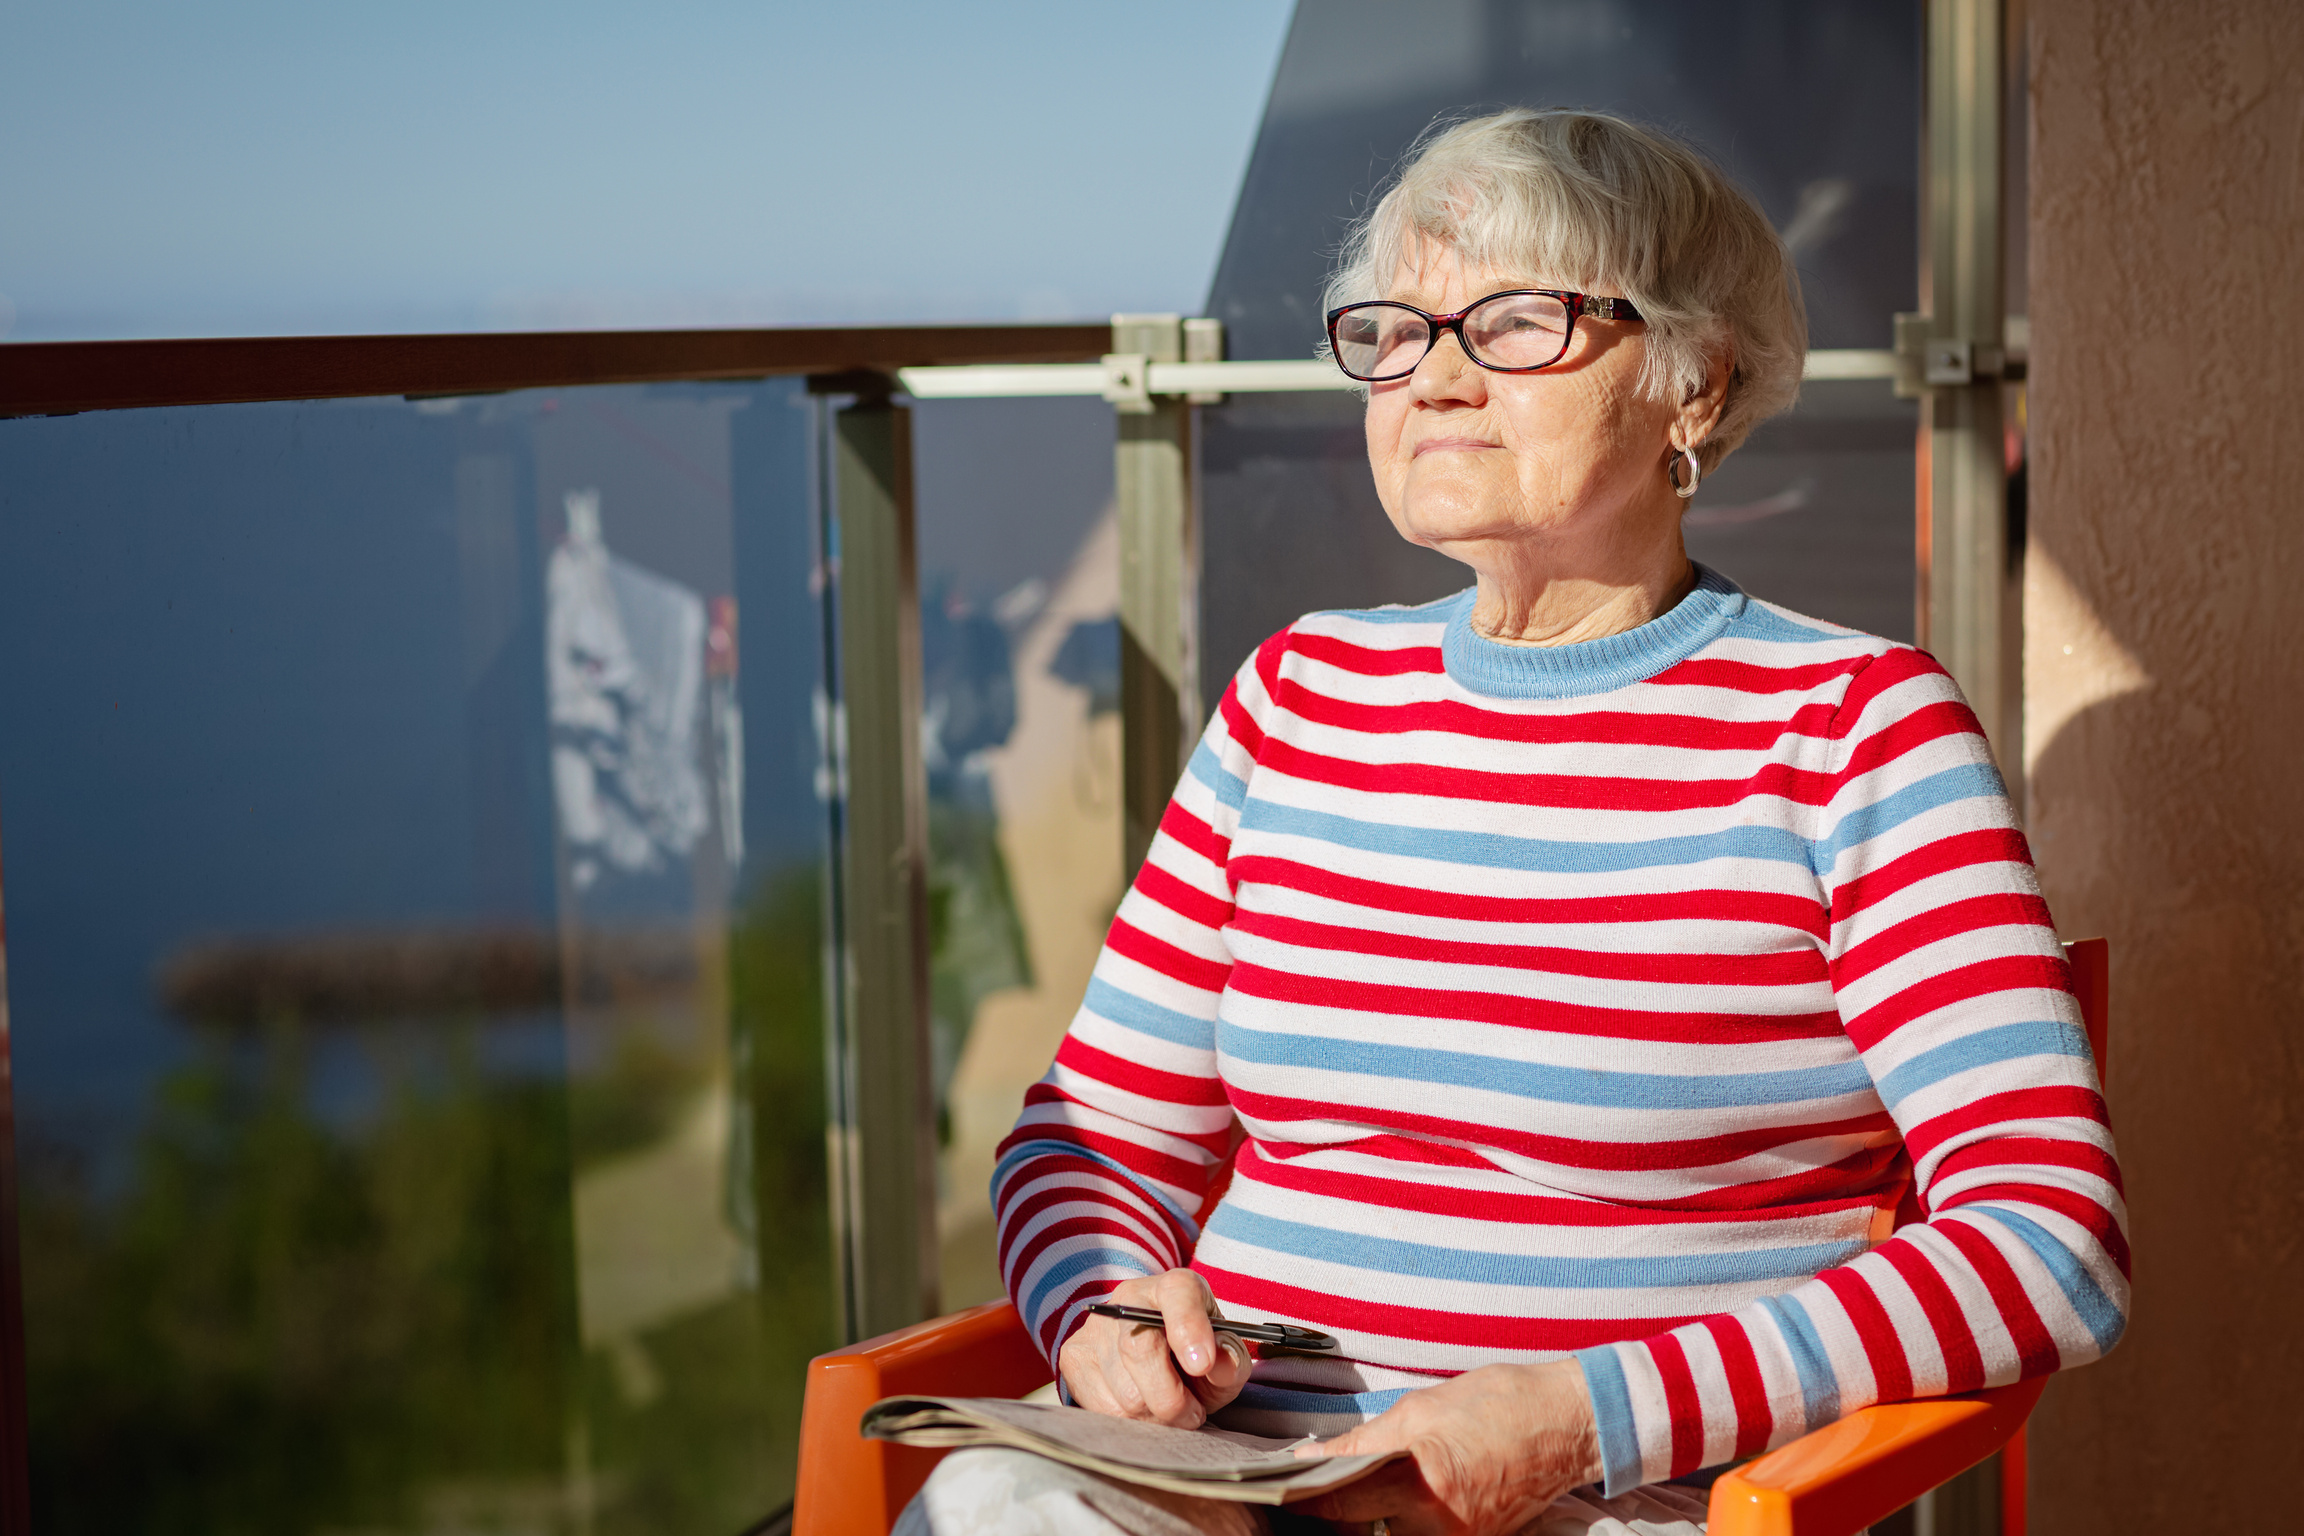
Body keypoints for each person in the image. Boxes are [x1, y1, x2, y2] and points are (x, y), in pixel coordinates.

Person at [898, 108, 2127, 1536]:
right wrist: (1104, 1310)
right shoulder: (1297, 696)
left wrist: (1579, 1418)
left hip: (1583, 1502)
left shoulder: (1857, 731)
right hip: (1219, 1481)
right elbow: (1090, 1136)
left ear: (1695, 378)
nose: (1434, 380)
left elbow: (2048, 1237)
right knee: (991, 1501)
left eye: (1515, 324)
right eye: (1396, 333)